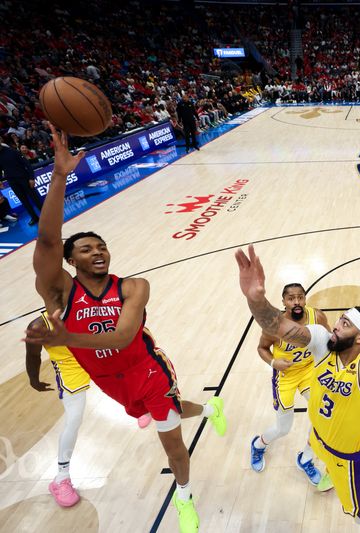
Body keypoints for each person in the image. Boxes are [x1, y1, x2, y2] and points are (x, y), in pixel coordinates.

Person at [25, 125, 226, 533]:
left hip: (146, 369)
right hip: (109, 381)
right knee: (168, 413)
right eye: (86, 248)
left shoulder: (133, 287)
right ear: (71, 260)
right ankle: (209, 408)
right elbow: (46, 241)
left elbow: (121, 337)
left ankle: (184, 499)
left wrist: (65, 339)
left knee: (171, 440)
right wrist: (61, 175)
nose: (97, 251)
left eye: (101, 246)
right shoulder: (61, 292)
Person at [236, 245, 360, 533]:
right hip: (320, 436)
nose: (336, 325)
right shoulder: (323, 342)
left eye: (346, 323)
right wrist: (256, 300)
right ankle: (305, 457)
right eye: (340, 319)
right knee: (311, 434)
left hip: (349, 457)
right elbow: (276, 325)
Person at [25, 313, 152, 507]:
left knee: (124, 375)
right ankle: (61, 478)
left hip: (94, 356)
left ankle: (136, 406)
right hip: (69, 367)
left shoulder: (85, 308)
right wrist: (34, 379)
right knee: (74, 419)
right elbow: (33, 355)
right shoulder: (38, 326)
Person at [249, 283, 333, 491]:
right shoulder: (274, 325)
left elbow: (331, 341)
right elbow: (261, 348)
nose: (296, 302)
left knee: (324, 417)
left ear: (305, 299)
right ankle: (258, 445)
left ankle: (305, 459)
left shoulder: (318, 317)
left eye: (300, 297)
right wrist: (273, 362)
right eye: (291, 298)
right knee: (283, 428)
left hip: (308, 372)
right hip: (285, 376)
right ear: (284, 302)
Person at [0, 142, 41, 225]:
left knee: (35, 198)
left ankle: (46, 215)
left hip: (24, 178)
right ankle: (34, 217)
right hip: (12, 181)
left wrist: (31, 178)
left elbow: (27, 164)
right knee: (23, 200)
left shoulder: (12, 151)